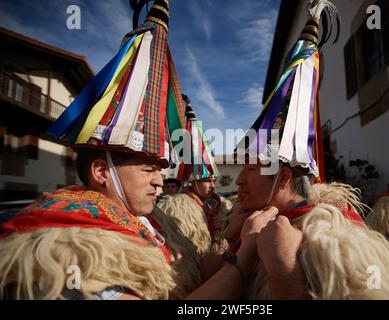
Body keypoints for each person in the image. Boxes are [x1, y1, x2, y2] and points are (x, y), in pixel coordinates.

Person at [0, 0, 268, 300]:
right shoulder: (69, 246)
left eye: (159, 169)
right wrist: (243, 262)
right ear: (102, 171)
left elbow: (192, 274)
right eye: (147, 169)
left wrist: (237, 240)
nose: (158, 180)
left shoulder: (146, 222)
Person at [230, 0, 389, 299]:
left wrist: (286, 276)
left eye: (251, 169)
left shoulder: (334, 241)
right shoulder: (247, 224)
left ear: (282, 178)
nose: (239, 180)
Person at [158, 97, 233, 260]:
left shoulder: (224, 205)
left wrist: (227, 226)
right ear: (193, 180)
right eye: (207, 181)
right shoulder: (175, 207)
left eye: (214, 181)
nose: (213, 186)